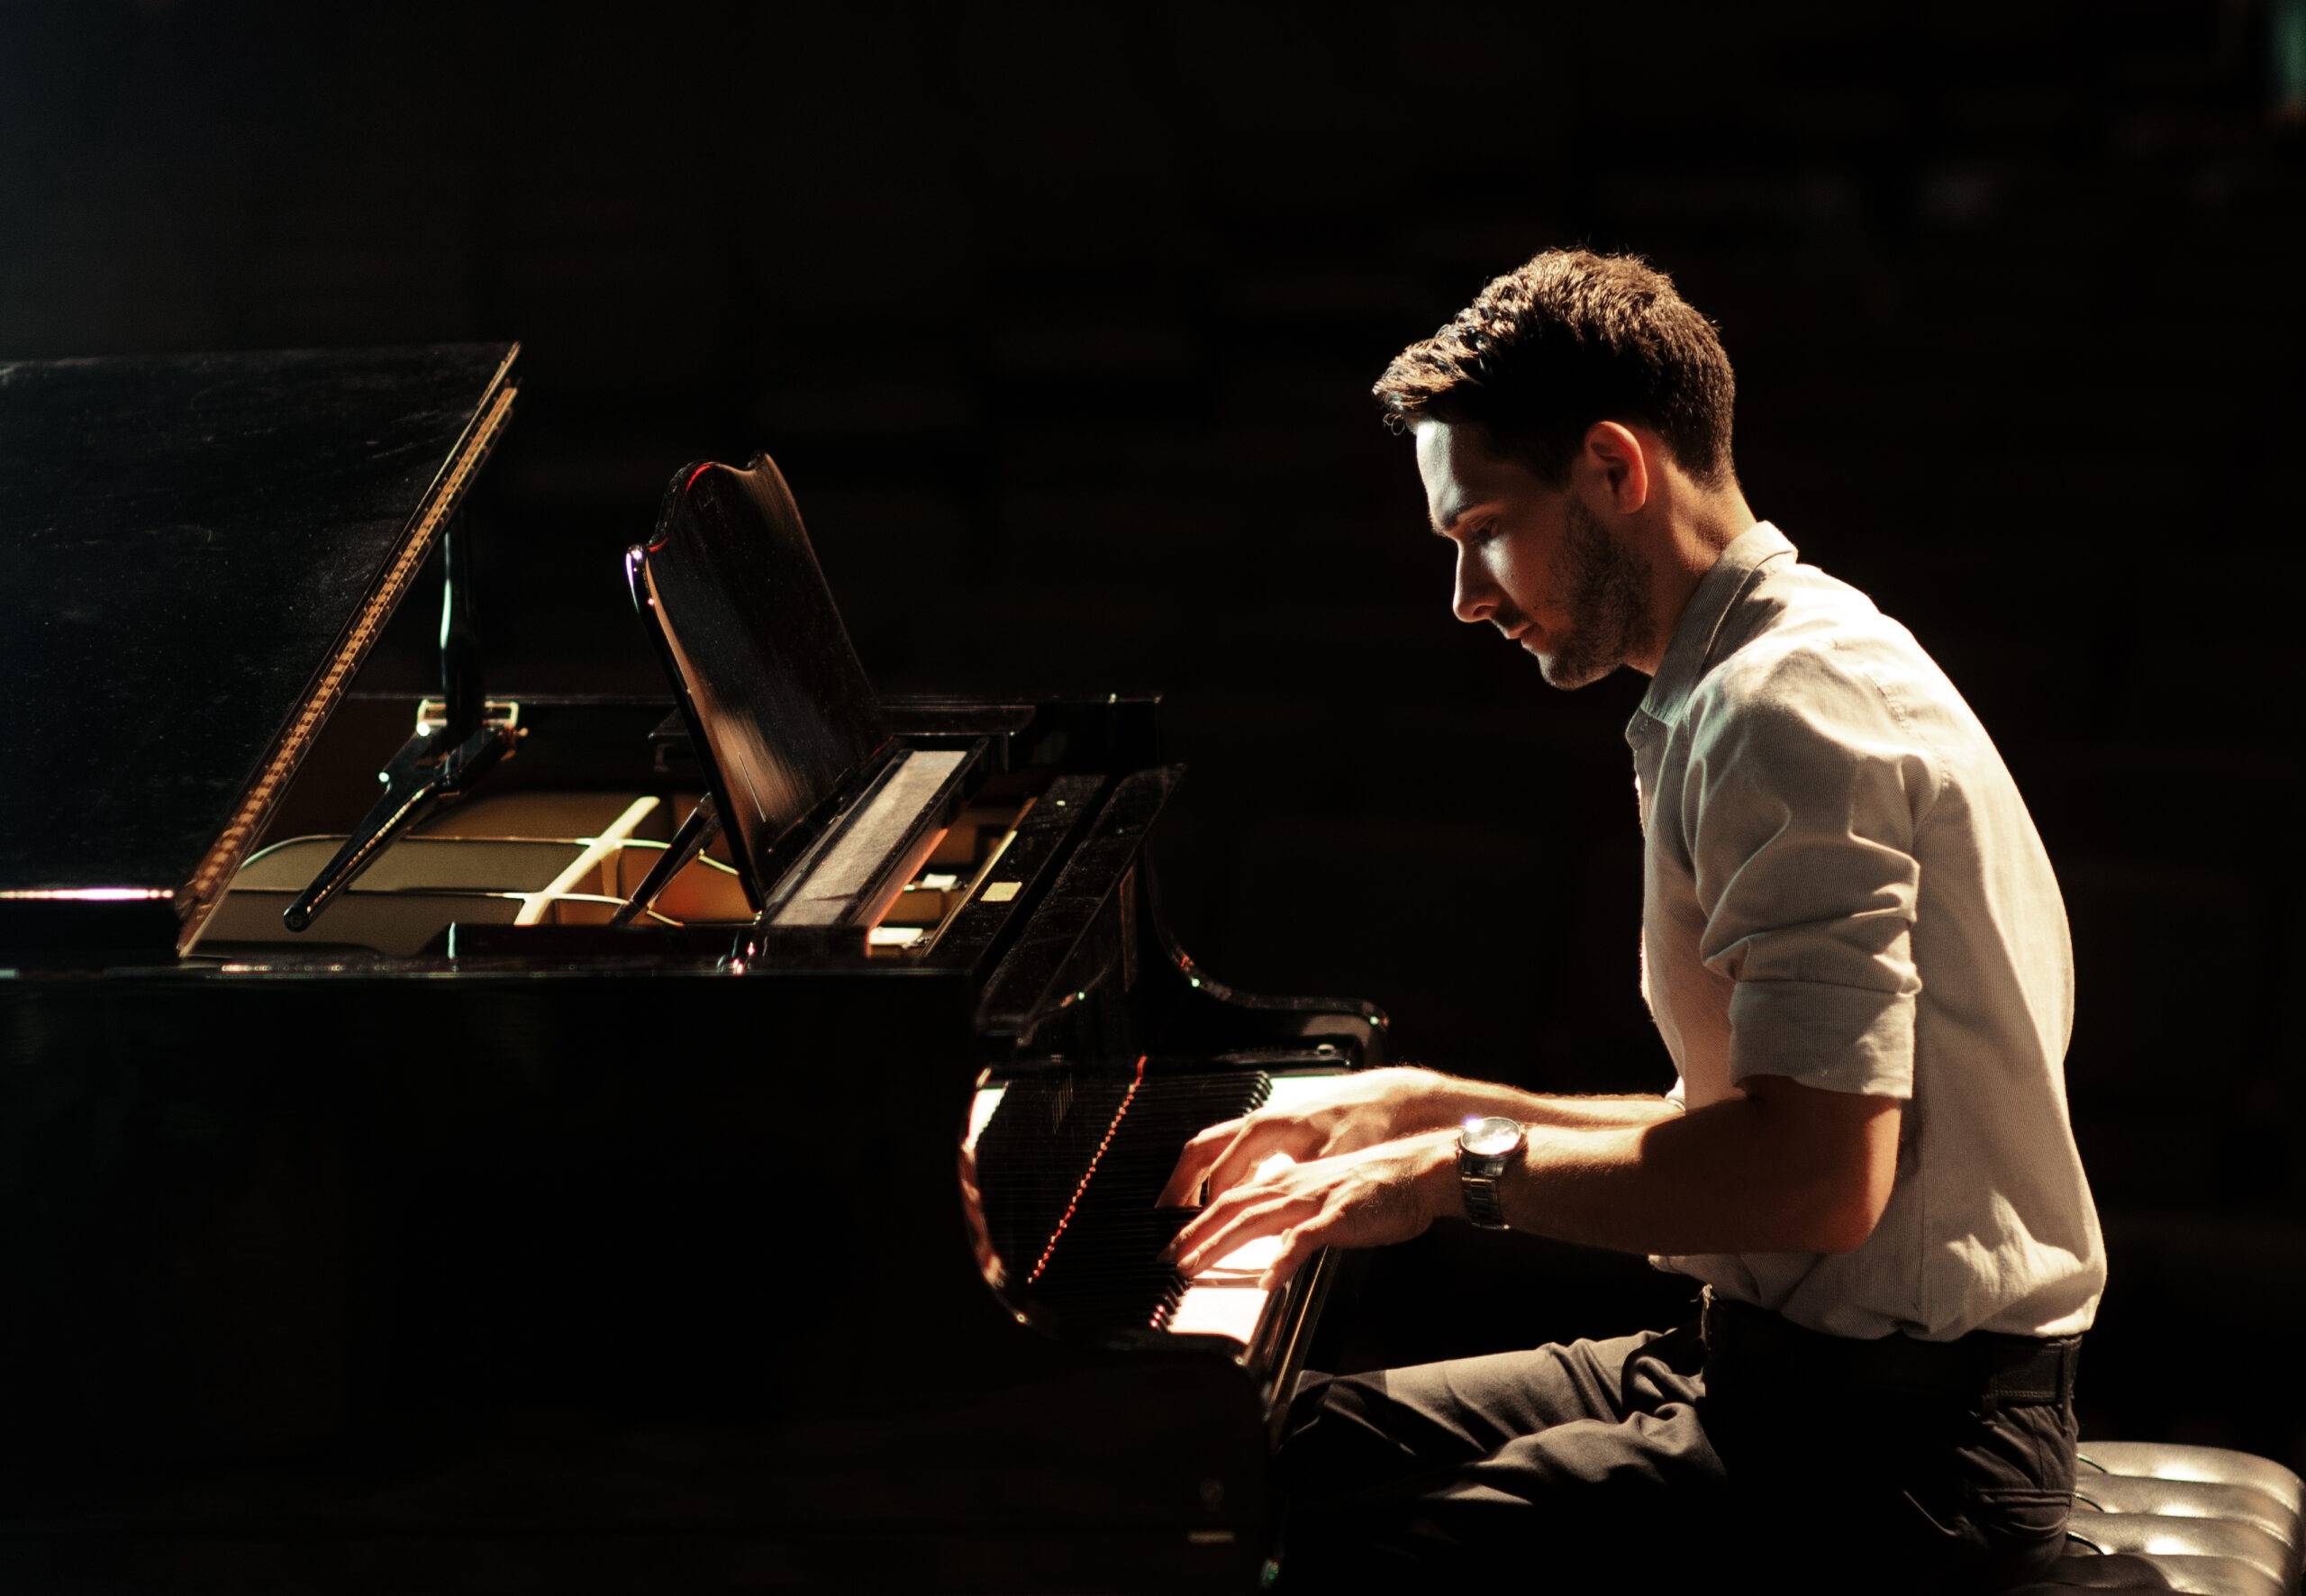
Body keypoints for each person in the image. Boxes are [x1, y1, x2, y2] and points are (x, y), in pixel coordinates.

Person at [1157, 249, 2104, 1591]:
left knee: (1348, 1552)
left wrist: (1451, 1176)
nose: (1466, 596)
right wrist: (1431, 1105)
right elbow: (1757, 1122)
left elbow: (1818, 1182)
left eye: (1480, 530)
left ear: (1613, 467)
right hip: (1784, 1369)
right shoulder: (1767, 664)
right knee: (1272, 1449)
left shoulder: (1788, 709)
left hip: (1908, 1457)